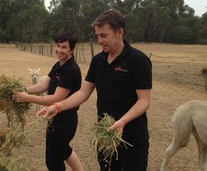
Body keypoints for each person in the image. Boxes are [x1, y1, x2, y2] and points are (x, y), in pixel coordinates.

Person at [37, 9, 152, 171]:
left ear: (120, 32)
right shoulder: (98, 61)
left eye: (104, 35)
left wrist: (122, 122)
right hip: (105, 135)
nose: (99, 40)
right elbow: (83, 93)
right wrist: (57, 107)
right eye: (97, 35)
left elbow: (144, 100)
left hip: (132, 138)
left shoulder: (138, 60)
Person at [13, 31, 84, 171]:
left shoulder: (71, 70)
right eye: (58, 46)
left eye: (64, 47)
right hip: (54, 118)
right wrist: (24, 90)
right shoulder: (59, 65)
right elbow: (44, 85)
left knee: (54, 160)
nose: (59, 50)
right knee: (60, 153)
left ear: (72, 50)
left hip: (65, 121)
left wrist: (26, 98)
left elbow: (56, 98)